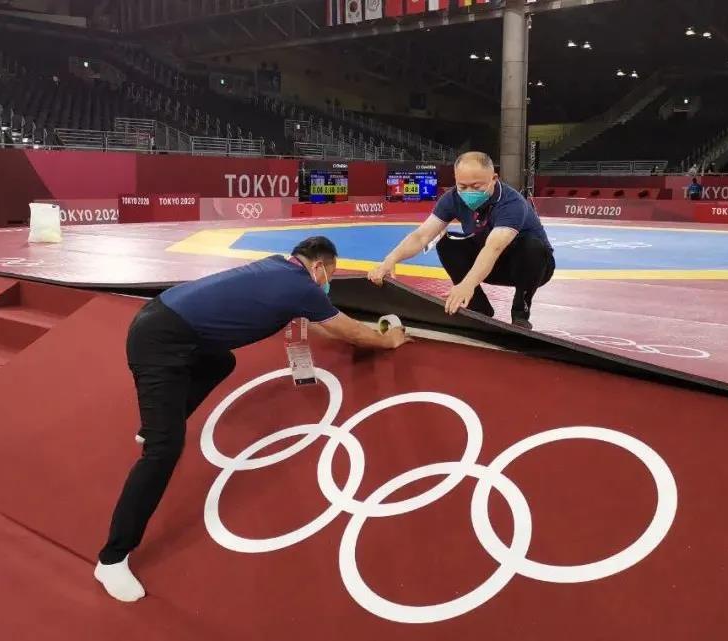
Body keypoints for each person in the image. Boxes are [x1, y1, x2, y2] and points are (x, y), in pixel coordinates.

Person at [94, 236, 408, 603]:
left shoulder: (277, 267)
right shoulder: (301, 286)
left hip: (167, 320)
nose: (327, 284)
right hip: (161, 342)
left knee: (221, 362)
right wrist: (388, 340)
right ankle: (112, 558)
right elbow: (346, 329)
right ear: (319, 267)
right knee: (164, 450)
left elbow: (321, 321)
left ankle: (157, 423)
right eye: (330, 275)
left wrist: (356, 334)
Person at [367, 151, 554, 328]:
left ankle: (520, 314)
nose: (468, 192)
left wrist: (467, 284)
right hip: (488, 267)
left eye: (476, 187)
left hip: (531, 269)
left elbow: (494, 248)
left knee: (532, 246)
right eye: (462, 186)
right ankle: (478, 308)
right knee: (446, 243)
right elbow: (421, 236)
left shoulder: (511, 203)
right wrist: (390, 260)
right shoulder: (452, 199)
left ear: (494, 179)